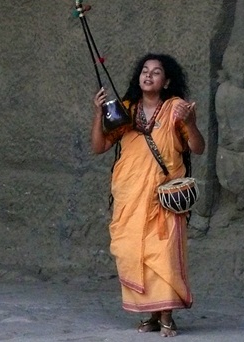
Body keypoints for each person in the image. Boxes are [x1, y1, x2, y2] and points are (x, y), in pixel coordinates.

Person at [90, 53, 205, 337]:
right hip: (129, 196)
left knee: (162, 255)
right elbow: (99, 147)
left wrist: (190, 124)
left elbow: (198, 147)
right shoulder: (125, 110)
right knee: (133, 252)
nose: (149, 75)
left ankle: (166, 315)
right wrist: (98, 113)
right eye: (145, 70)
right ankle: (151, 314)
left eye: (156, 72)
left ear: (166, 82)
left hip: (163, 197)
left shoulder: (177, 108)